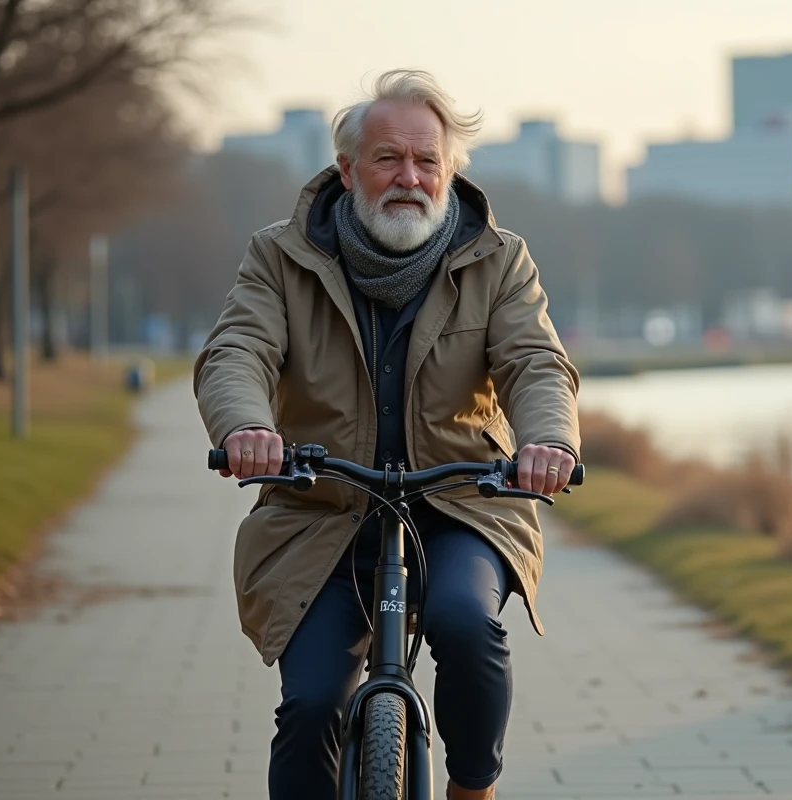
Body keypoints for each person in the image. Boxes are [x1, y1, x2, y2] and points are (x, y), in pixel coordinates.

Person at [192, 69, 581, 800]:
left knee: (468, 628)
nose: (410, 177)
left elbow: (535, 363)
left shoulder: (499, 260)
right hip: (320, 513)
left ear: (449, 170)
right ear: (348, 170)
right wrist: (247, 426)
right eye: (388, 159)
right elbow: (237, 351)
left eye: (426, 160)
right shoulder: (280, 256)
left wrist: (549, 443)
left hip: (462, 505)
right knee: (311, 707)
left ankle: (472, 789)